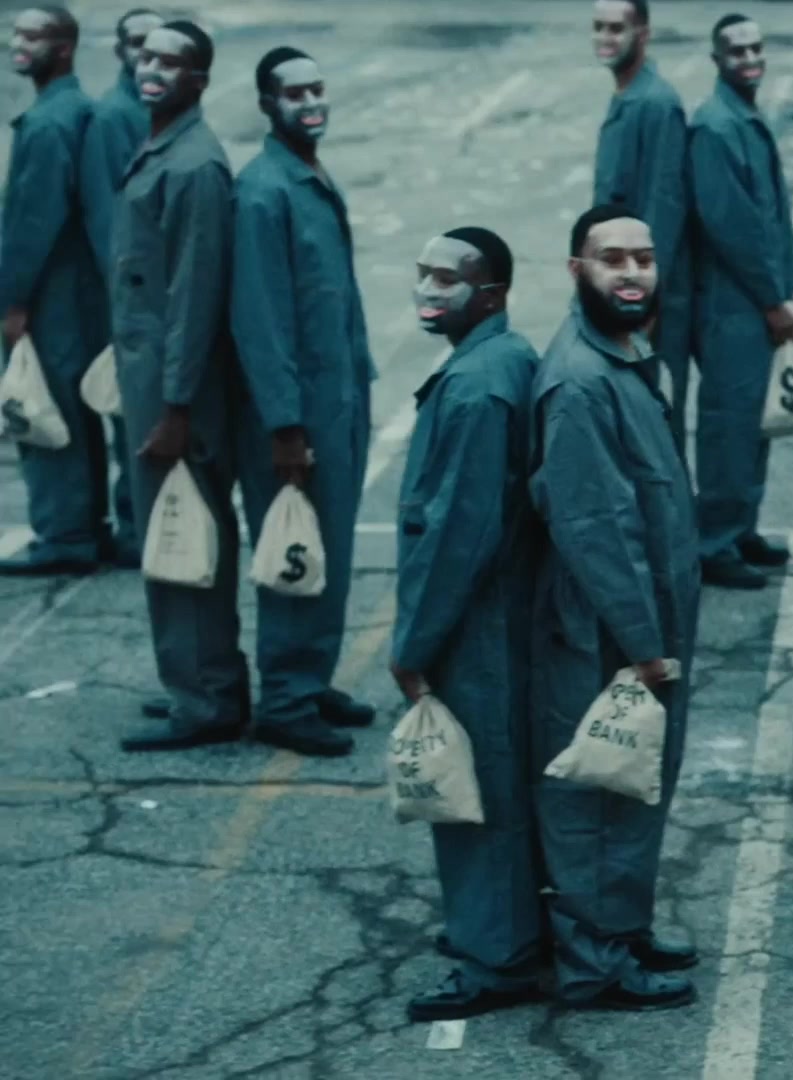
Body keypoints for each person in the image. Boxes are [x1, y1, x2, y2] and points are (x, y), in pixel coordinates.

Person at [529, 206, 699, 1012]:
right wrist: (643, 643)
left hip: (647, 618)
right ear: (577, 271)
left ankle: (623, 928)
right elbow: (595, 526)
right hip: (605, 628)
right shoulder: (580, 382)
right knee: (596, 793)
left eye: (643, 258)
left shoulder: (627, 353)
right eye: (612, 260)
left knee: (638, 780)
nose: (631, 273)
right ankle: (593, 961)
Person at [393, 228, 547, 1021]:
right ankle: (506, 932)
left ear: (492, 295)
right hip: (503, 611)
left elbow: (461, 532)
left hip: (475, 623)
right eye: (423, 273)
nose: (428, 289)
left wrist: (413, 645)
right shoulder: (503, 359)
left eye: (448, 278)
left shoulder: (478, 387)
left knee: (474, 790)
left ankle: (495, 958)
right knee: (499, 779)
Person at [230, 46, 376, 757]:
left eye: (317, 88)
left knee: (332, 550)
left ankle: (311, 680)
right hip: (297, 414)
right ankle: (285, 701)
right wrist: (284, 424)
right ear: (267, 104)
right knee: (294, 551)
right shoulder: (263, 192)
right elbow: (259, 319)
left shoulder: (309, 174)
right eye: (294, 93)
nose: (311, 102)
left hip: (338, 396)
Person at [111, 21, 253, 753]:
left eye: (172, 61)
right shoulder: (163, 145)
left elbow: (195, 296)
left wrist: (175, 407)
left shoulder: (194, 165)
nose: (153, 67)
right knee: (169, 538)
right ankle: (197, 680)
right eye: (148, 54)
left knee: (182, 536)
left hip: (177, 394)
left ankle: (206, 699)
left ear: (199, 80)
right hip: (151, 379)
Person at [688, 11, 793, 590]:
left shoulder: (744, 117)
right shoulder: (715, 127)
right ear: (717, 60)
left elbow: (774, 217)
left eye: (757, 47)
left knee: (756, 423)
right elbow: (731, 227)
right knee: (729, 428)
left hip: (759, 300)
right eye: (737, 51)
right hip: (731, 306)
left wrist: (792, 290)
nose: (751, 58)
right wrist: (772, 299)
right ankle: (714, 541)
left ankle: (740, 529)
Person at [0, 6, 113, 576]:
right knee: (76, 409)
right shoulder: (77, 109)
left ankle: (65, 536)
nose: (18, 44)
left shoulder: (47, 124)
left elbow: (31, 221)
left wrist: (12, 300)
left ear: (64, 47)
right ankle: (89, 526)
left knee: (45, 412)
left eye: (34, 36)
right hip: (81, 290)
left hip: (51, 296)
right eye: (16, 33)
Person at [78, 6, 165, 567]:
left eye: (159, 48)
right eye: (138, 45)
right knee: (132, 414)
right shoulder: (115, 118)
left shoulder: (152, 108)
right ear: (119, 51)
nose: (149, 58)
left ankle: (144, 524)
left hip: (154, 291)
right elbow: (108, 219)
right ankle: (135, 528)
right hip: (133, 295)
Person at [591, 0, 691, 454]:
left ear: (643, 34)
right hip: (617, 290)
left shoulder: (656, 104)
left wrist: (642, 302)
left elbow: (663, 208)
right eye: (598, 27)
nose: (605, 38)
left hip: (641, 301)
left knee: (651, 431)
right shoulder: (627, 95)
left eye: (617, 28)